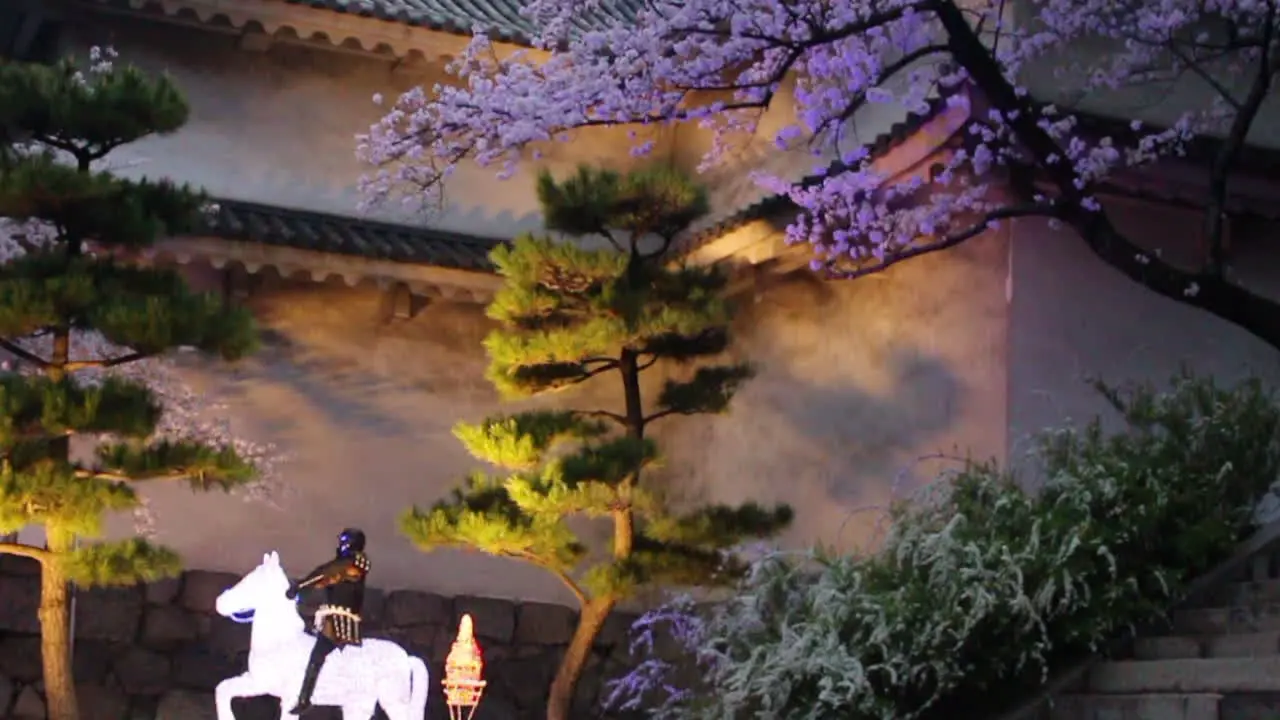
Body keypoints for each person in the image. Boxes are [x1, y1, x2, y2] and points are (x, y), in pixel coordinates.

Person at [284, 527, 371, 715]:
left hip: (340, 622)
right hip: (337, 617)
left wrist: (299, 587)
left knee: (317, 656)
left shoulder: (349, 565)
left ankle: (305, 698)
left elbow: (323, 573)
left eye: (343, 542)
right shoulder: (354, 564)